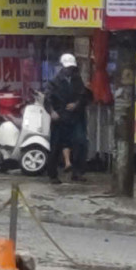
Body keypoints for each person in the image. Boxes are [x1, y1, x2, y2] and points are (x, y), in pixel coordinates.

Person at [44, 52, 89, 182]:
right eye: (67, 68)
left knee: (80, 143)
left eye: (71, 68)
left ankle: (77, 172)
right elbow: (47, 98)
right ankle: (53, 175)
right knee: (56, 146)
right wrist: (52, 112)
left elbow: (83, 96)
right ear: (62, 67)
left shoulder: (77, 80)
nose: (69, 70)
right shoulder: (54, 82)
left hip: (75, 118)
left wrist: (76, 104)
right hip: (60, 117)